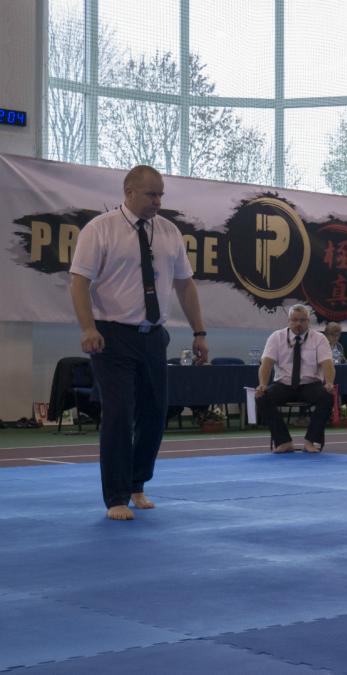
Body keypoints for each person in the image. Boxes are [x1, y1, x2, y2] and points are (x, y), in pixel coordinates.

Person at [69, 165, 209, 521]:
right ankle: (116, 496)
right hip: (111, 336)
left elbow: (185, 285)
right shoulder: (100, 229)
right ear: (129, 192)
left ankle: (137, 483)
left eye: (161, 194)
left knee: (154, 414)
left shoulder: (169, 231)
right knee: (118, 414)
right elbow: (79, 282)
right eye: (151, 194)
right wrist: (87, 328)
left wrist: (199, 332)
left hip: (153, 337)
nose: (158, 201)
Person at [255, 304, 335, 454]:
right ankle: (283, 441)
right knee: (262, 397)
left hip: (310, 384)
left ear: (308, 321)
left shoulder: (319, 338)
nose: (298, 323)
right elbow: (266, 363)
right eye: (295, 320)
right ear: (289, 321)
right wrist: (262, 385)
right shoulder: (276, 337)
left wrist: (329, 383)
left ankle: (310, 441)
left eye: (302, 320)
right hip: (283, 384)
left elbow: (328, 364)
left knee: (327, 396)